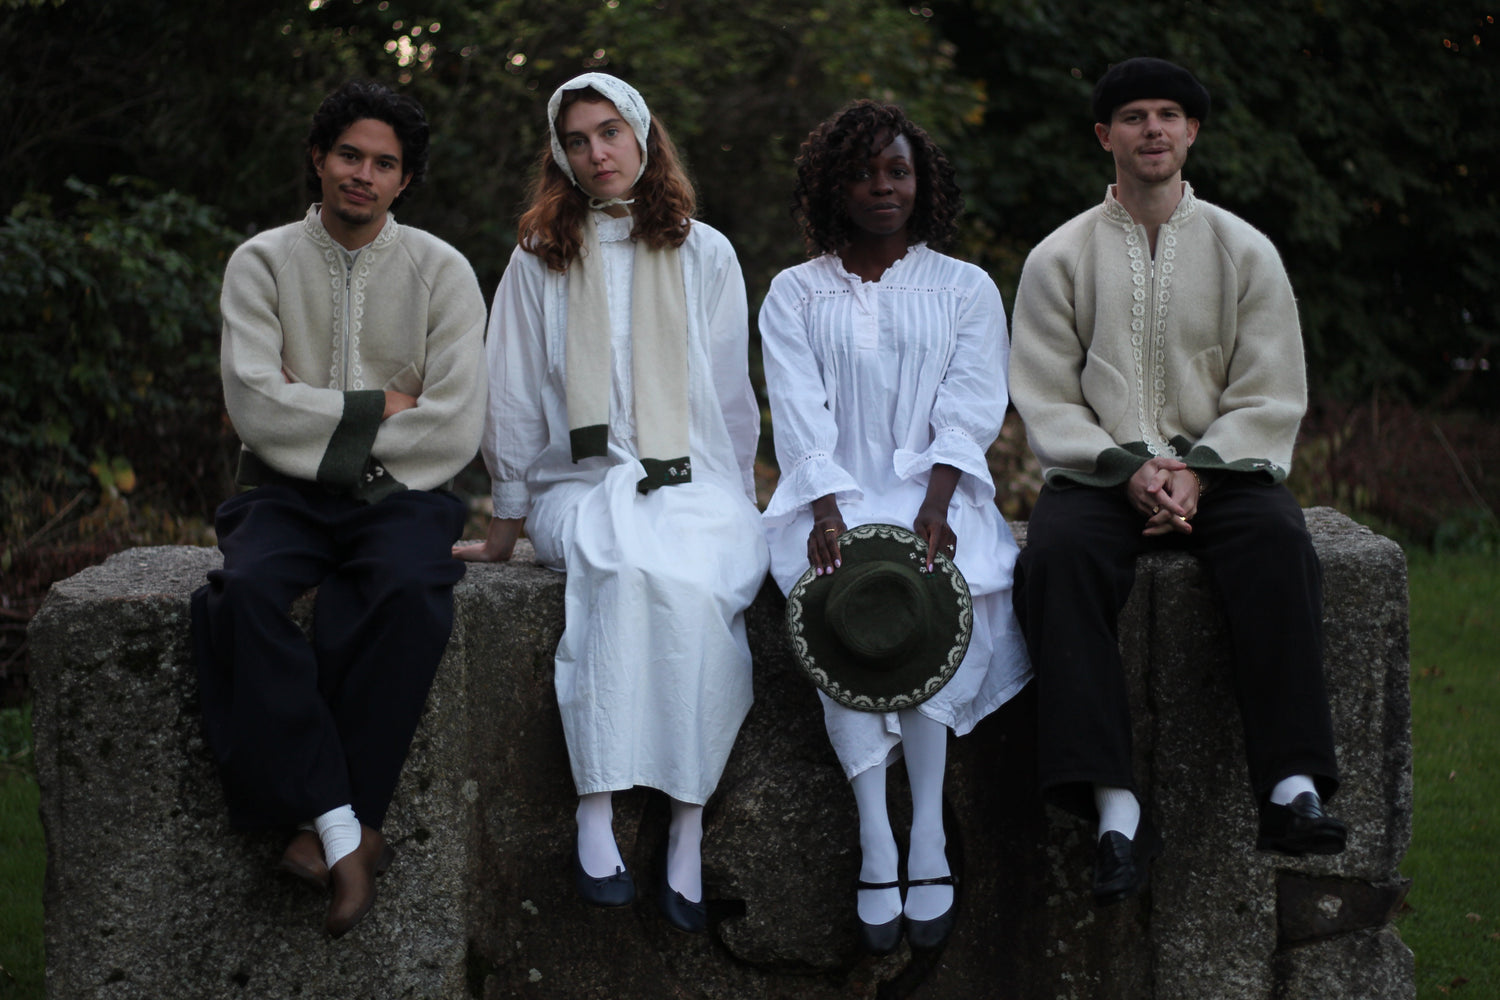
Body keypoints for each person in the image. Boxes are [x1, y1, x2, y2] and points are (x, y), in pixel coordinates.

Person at [1008, 57, 1347, 907]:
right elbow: (1044, 392)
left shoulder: (1245, 250)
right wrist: (1127, 471)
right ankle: (1113, 806)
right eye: (1132, 116)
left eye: (1168, 114)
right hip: (1098, 473)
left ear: (1192, 131)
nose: (1152, 128)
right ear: (1104, 137)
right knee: (1055, 562)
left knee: (1277, 542)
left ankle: (1291, 786)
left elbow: (1270, 388)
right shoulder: (1059, 256)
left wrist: (1197, 472)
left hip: (1224, 471)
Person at [453, 73, 768, 935]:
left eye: (611, 132)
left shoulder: (706, 252)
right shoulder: (538, 256)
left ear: (642, 135)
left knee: (701, 578)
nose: (598, 153)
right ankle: (597, 800)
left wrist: (737, 510)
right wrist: (503, 527)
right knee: (621, 562)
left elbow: (730, 401)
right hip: (581, 486)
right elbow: (512, 397)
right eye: (580, 140)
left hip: (693, 483)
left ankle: (687, 821)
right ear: (562, 153)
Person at [190, 80, 487, 938]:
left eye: (384, 163)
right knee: (240, 598)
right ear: (319, 160)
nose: (363, 173)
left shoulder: (443, 271)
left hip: (403, 496)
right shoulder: (260, 261)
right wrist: (382, 405)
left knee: (406, 595)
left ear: (404, 181)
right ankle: (345, 826)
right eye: (349, 155)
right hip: (281, 493)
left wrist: (317, 405)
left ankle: (327, 825)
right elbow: (255, 404)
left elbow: (454, 422)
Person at [759, 100, 1032, 954]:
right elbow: (798, 412)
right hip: (830, 495)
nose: (882, 186)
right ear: (831, 185)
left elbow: (972, 403)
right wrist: (827, 510)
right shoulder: (795, 293)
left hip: (936, 495)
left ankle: (927, 838)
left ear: (923, 183)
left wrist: (939, 502)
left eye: (898, 171)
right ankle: (877, 833)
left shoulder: (965, 288)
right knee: (846, 607)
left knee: (930, 599)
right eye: (864, 172)